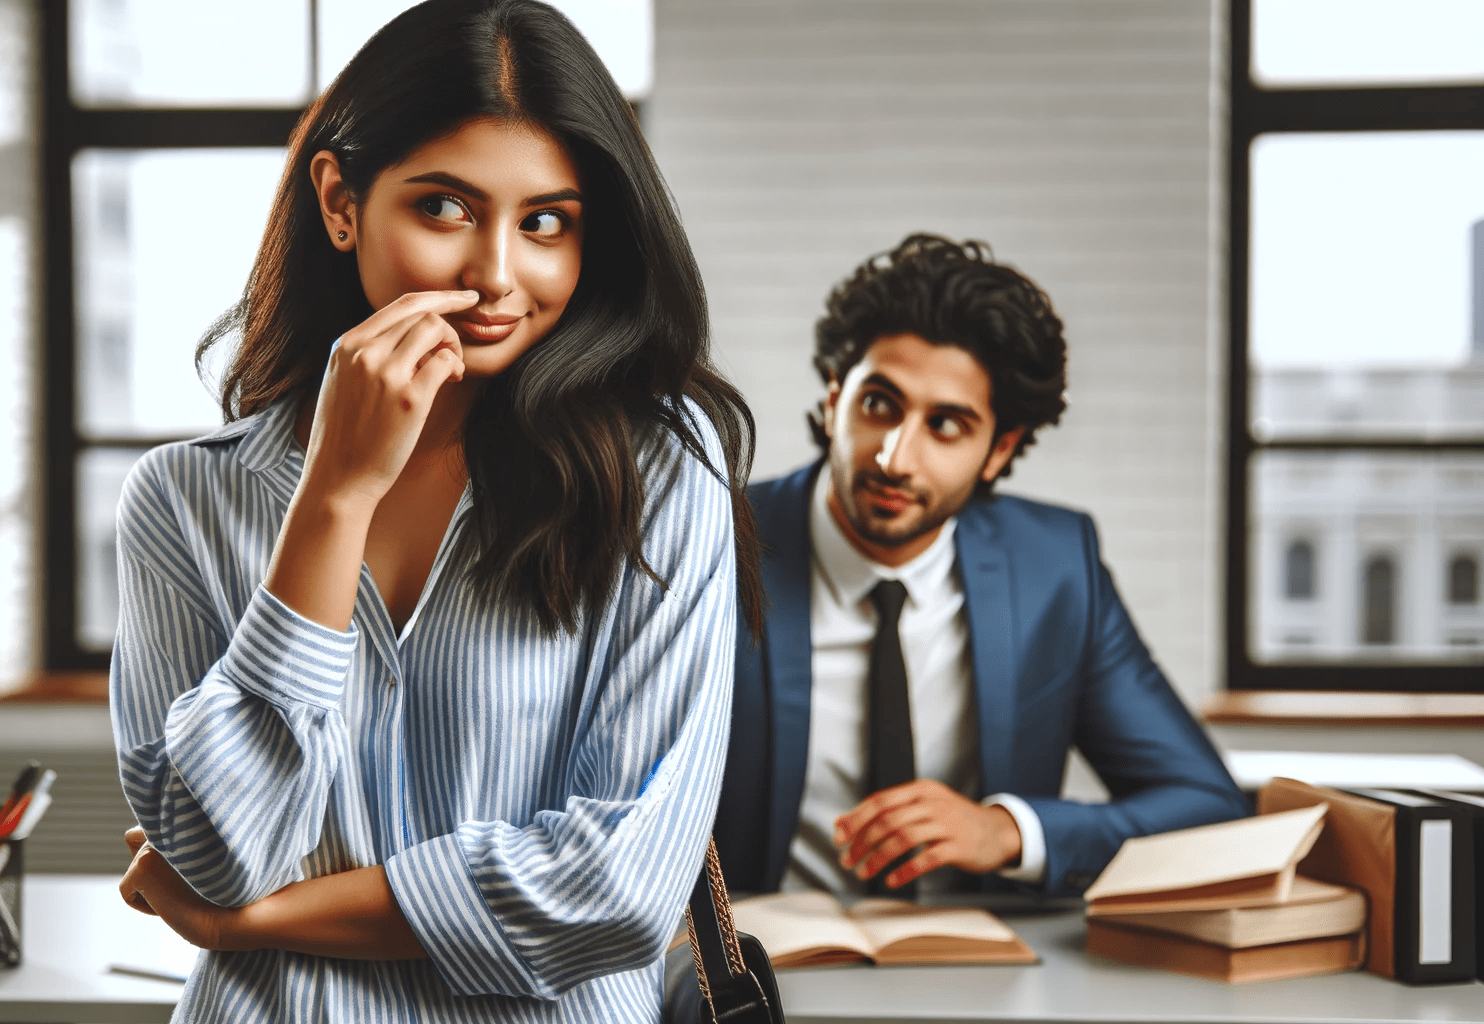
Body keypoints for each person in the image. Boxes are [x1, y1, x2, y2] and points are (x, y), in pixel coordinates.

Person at [107, 2, 763, 1020]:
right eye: (446, 209)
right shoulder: (184, 500)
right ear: (339, 200)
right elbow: (210, 850)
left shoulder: (663, 470)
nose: (497, 274)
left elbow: (619, 889)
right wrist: (334, 495)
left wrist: (253, 925)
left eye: (546, 221)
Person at [712, 234, 1247, 900]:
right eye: (879, 404)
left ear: (999, 450)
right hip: (760, 972)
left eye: (947, 425)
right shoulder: (713, 543)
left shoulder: (1055, 570)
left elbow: (1207, 804)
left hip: (981, 974)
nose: (896, 458)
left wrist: (1010, 832)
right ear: (832, 400)